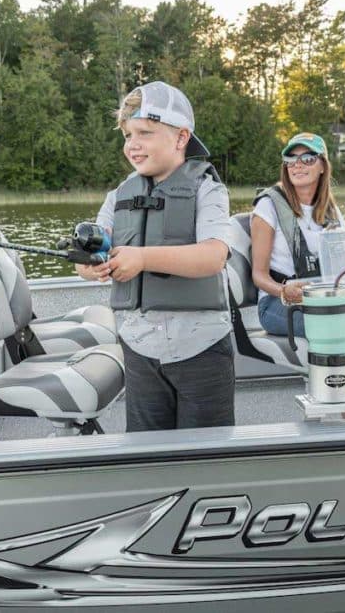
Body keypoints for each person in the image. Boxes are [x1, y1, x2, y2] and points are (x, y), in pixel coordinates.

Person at [75, 81, 235, 432]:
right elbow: (91, 253)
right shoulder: (119, 194)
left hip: (202, 348)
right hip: (139, 349)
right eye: (127, 136)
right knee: (147, 453)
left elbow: (213, 257)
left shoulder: (209, 190)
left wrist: (143, 258)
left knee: (208, 456)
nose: (132, 145)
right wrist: (88, 262)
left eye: (144, 133)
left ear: (181, 138)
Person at [251, 132, 345, 395]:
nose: (298, 165)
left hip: (327, 298)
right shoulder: (268, 206)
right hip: (279, 303)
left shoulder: (331, 211)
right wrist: (284, 291)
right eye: (292, 158)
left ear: (322, 166)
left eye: (307, 158)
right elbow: (259, 276)